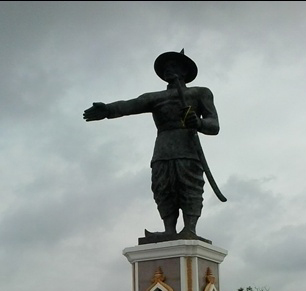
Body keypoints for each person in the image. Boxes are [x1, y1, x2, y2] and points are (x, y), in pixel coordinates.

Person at [83, 50, 220, 240]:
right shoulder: (154, 98)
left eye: (173, 66)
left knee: (190, 186)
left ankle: (190, 228)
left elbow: (214, 125)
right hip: (162, 148)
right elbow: (130, 105)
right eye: (166, 67)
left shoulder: (200, 93)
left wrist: (199, 122)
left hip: (187, 148)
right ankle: (169, 229)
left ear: (184, 71)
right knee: (162, 187)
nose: (168, 69)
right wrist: (107, 109)